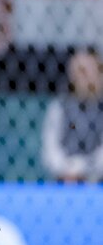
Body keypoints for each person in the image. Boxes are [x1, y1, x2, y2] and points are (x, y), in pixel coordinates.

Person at [41, 49, 103, 183]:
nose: (81, 77)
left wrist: (83, 168)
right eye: (78, 71)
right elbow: (50, 148)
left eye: (86, 71)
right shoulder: (59, 107)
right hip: (64, 177)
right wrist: (67, 168)